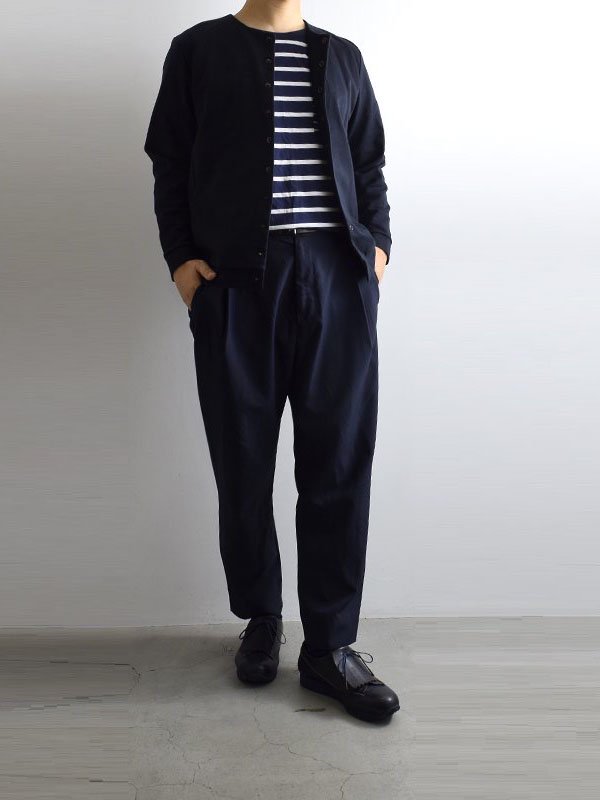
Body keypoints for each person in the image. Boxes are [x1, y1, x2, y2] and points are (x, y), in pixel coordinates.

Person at [143, 0, 399, 722]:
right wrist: (181, 262)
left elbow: (370, 162)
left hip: (337, 278)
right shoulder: (197, 50)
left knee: (338, 462)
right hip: (235, 283)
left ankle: (330, 647)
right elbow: (170, 161)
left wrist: (377, 249)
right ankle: (261, 616)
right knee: (243, 461)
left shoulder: (343, 56)